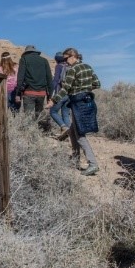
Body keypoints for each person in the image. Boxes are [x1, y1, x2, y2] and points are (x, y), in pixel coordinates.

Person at [46, 48, 100, 176]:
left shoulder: (72, 70)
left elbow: (65, 90)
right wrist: (85, 89)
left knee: (80, 134)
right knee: (72, 130)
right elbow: (97, 84)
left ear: (73, 56)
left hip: (77, 103)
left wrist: (52, 101)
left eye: (66, 59)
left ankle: (93, 164)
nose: (65, 62)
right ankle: (75, 159)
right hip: (87, 101)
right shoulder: (88, 67)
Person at [16, 45, 53, 120]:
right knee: (39, 115)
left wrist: (18, 94)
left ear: (26, 52)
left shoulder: (24, 59)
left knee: (28, 116)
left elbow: (20, 78)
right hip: (42, 93)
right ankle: (41, 130)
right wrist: (50, 96)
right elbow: (49, 78)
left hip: (29, 92)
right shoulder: (44, 60)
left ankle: (29, 131)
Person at [50, 51, 71, 139]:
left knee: (53, 112)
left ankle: (63, 127)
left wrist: (51, 92)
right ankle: (69, 134)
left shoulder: (59, 66)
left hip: (60, 93)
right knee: (65, 114)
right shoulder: (69, 66)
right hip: (70, 94)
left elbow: (55, 80)